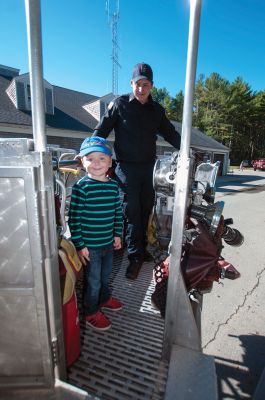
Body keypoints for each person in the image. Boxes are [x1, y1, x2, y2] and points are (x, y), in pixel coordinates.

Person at [93, 62, 181, 280]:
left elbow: (171, 134)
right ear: (131, 83)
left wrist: (188, 149)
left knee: (145, 212)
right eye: (138, 84)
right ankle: (134, 258)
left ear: (151, 86)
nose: (141, 89)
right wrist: (87, 152)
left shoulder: (157, 111)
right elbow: (100, 131)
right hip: (125, 168)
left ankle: (141, 250)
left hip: (149, 170)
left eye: (146, 84)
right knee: (131, 213)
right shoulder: (119, 104)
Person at [68, 137, 123, 331]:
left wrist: (117, 234)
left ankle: (105, 299)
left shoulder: (113, 186)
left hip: (108, 243)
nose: (97, 163)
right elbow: (73, 219)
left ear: (109, 161)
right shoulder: (81, 188)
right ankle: (91, 311)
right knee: (93, 280)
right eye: (90, 159)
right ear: (82, 162)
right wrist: (80, 245)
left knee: (106, 275)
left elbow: (117, 212)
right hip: (90, 246)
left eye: (101, 158)